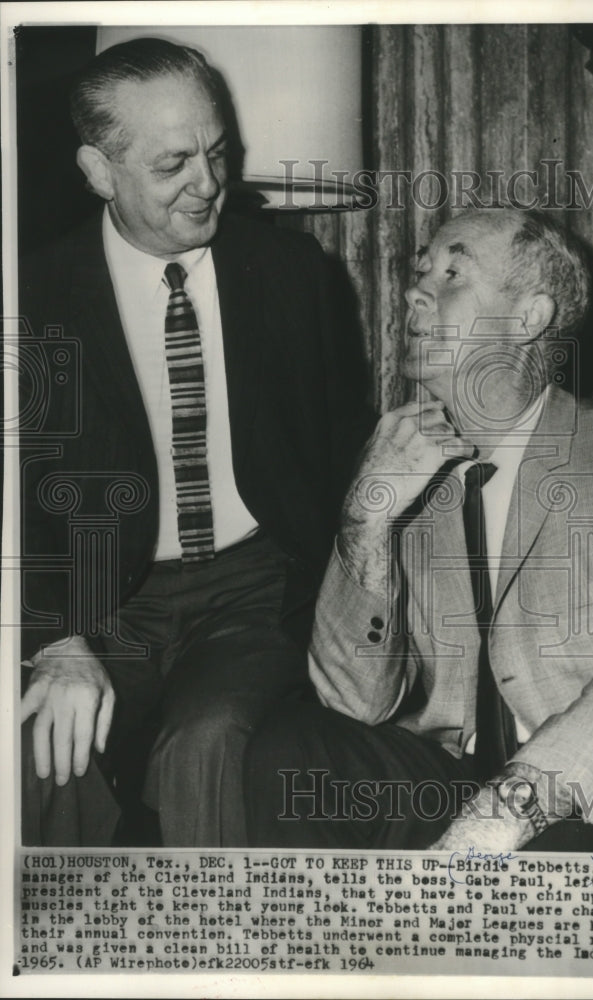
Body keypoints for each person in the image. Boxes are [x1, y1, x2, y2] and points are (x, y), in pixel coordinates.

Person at [244, 207, 593, 853]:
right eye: (420, 270)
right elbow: (352, 705)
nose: (414, 290)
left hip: (580, 797)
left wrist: (508, 810)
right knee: (296, 748)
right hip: (446, 781)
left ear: (529, 317)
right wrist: (365, 520)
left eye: (454, 272)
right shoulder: (400, 468)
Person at [19, 37, 368, 847]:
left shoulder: (291, 274)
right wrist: (56, 640)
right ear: (100, 171)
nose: (208, 184)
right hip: (100, 599)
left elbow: (343, 448)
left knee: (206, 743)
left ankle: (211, 959)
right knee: (42, 748)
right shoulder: (32, 296)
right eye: (173, 164)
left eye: (216, 152)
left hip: (251, 592)